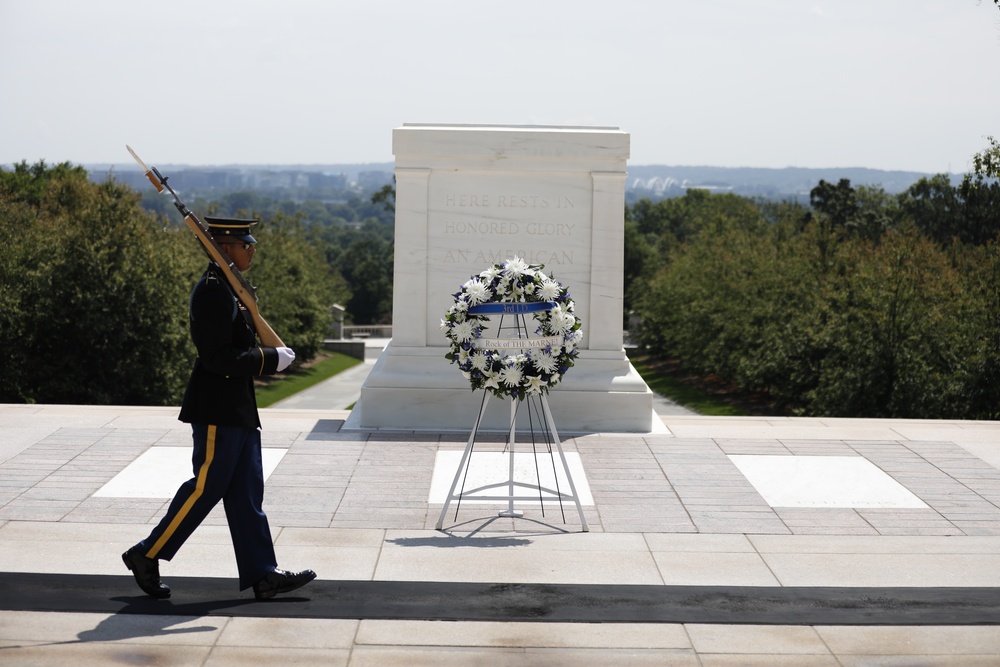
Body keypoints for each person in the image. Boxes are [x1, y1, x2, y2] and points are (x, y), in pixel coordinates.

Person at [122, 217, 315, 600]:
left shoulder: (232, 289)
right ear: (224, 248)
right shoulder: (213, 292)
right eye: (246, 244)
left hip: (238, 409)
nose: (252, 250)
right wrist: (266, 359)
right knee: (204, 490)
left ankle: (263, 573)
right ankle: (146, 553)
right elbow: (216, 358)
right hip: (217, 409)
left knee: (246, 494)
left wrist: (265, 345)